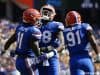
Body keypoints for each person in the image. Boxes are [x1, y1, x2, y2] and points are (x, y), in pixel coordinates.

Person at [1, 8, 42, 75]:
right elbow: (34, 46)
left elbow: (9, 41)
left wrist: (5, 49)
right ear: (32, 19)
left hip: (19, 61)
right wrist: (39, 57)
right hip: (28, 60)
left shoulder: (20, 27)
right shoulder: (34, 31)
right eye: (37, 19)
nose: (38, 20)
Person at [63, 11, 100, 75]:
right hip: (86, 59)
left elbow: (62, 45)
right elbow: (93, 42)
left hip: (74, 61)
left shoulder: (65, 32)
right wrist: (98, 54)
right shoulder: (84, 26)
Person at [37, 4, 65, 75]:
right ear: (40, 12)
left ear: (54, 14)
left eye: (50, 11)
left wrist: (50, 54)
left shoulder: (57, 25)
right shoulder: (35, 25)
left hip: (51, 57)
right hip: (37, 56)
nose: (47, 12)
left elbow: (62, 44)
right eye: (45, 10)